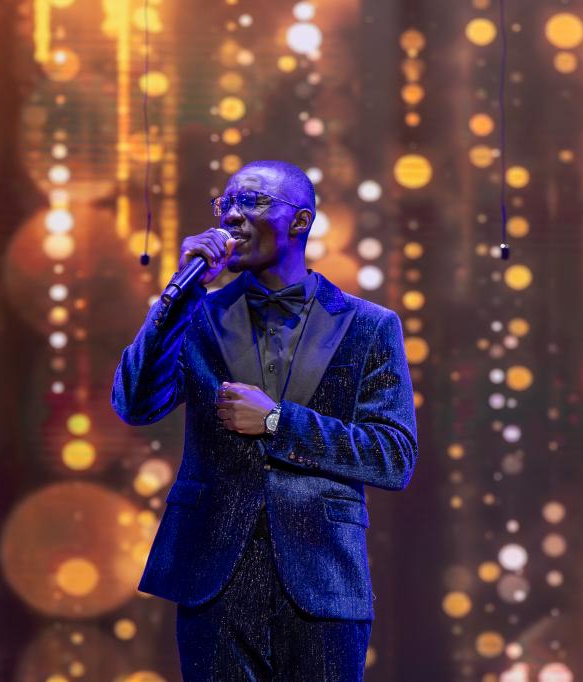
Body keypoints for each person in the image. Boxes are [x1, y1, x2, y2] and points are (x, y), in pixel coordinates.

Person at [111, 160, 418, 681]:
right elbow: (135, 403)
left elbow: (393, 456)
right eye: (225, 203)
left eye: (251, 201)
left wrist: (277, 422)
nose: (231, 215)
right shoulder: (197, 316)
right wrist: (177, 295)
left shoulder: (368, 326)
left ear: (300, 221)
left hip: (322, 578)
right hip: (214, 574)